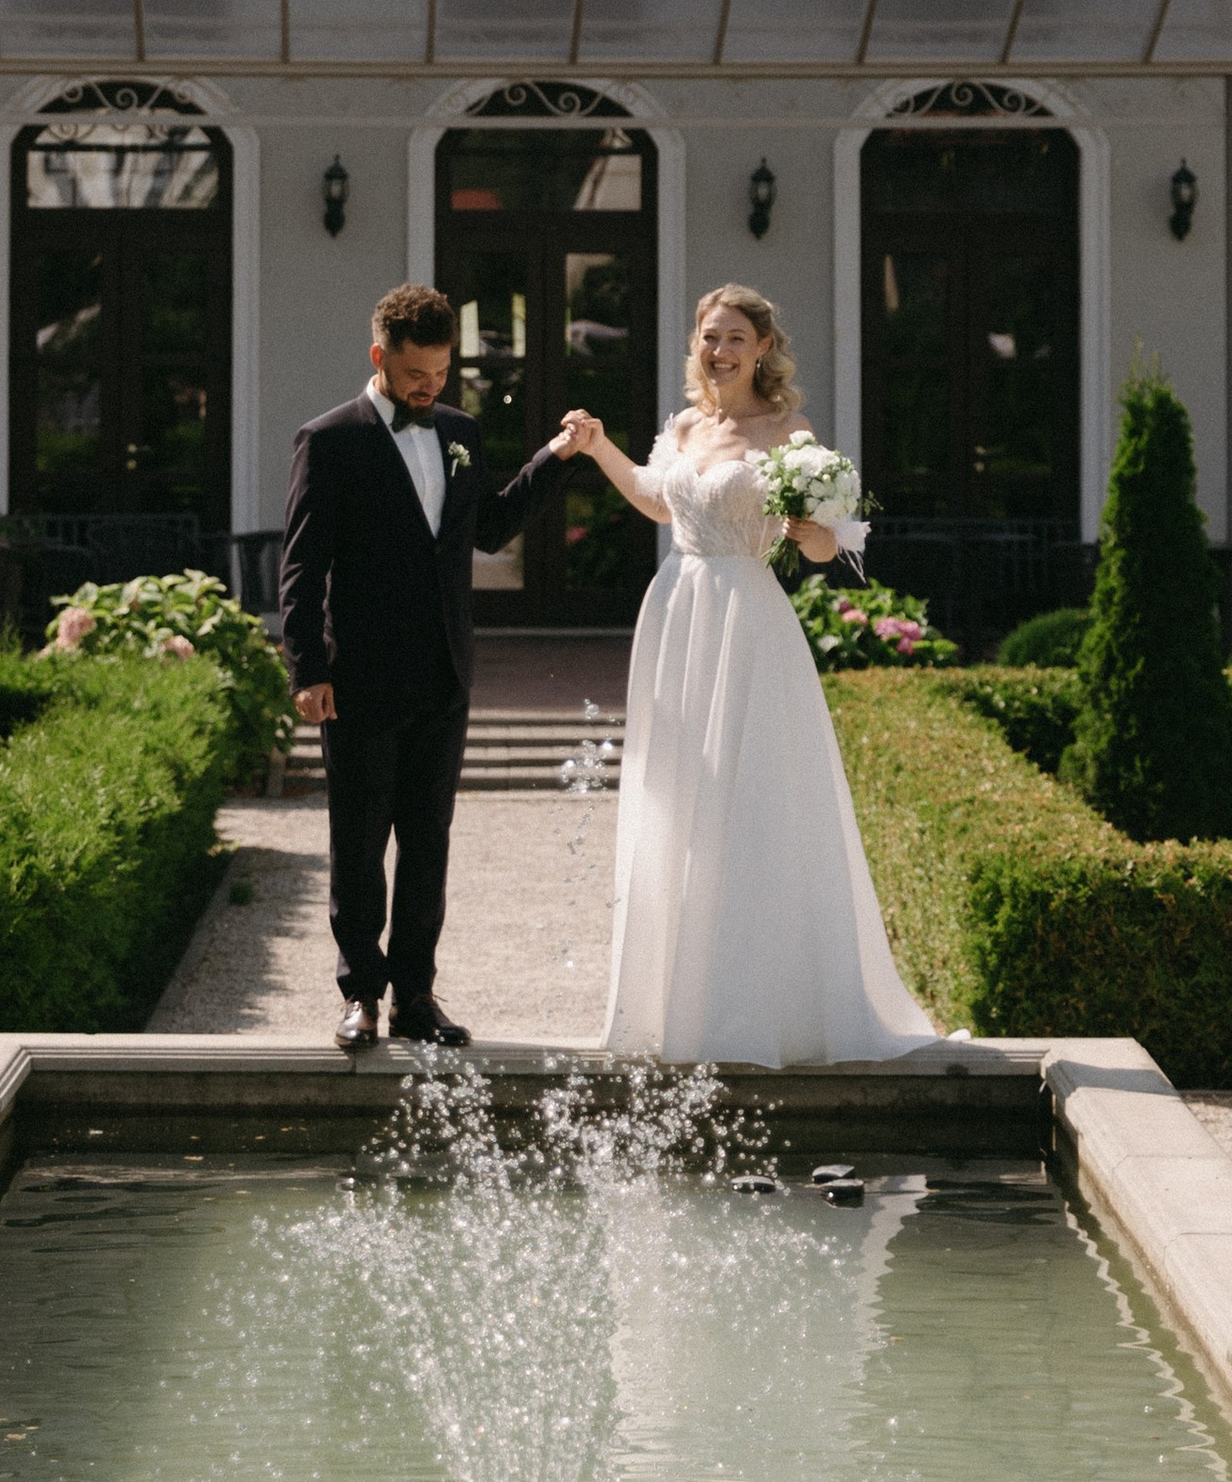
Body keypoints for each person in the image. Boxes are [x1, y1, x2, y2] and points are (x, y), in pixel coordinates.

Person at [558, 281, 948, 1068]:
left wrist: (811, 531)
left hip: (748, 617)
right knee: (680, 798)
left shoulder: (789, 430)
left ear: (763, 347)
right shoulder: (684, 426)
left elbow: (826, 544)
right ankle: (677, 1006)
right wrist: (598, 447)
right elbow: (659, 503)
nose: (720, 350)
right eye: (710, 336)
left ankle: (759, 1009)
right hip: (678, 612)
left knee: (754, 800)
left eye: (735, 337)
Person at [280, 281, 575, 1052]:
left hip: (445, 675)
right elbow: (303, 567)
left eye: (442, 373)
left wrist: (554, 459)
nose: (430, 387)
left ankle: (415, 995)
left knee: (428, 842)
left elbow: (491, 528)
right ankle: (361, 995)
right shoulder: (329, 439)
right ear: (379, 356)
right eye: (417, 374)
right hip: (359, 680)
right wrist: (308, 668)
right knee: (358, 842)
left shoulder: (459, 431)